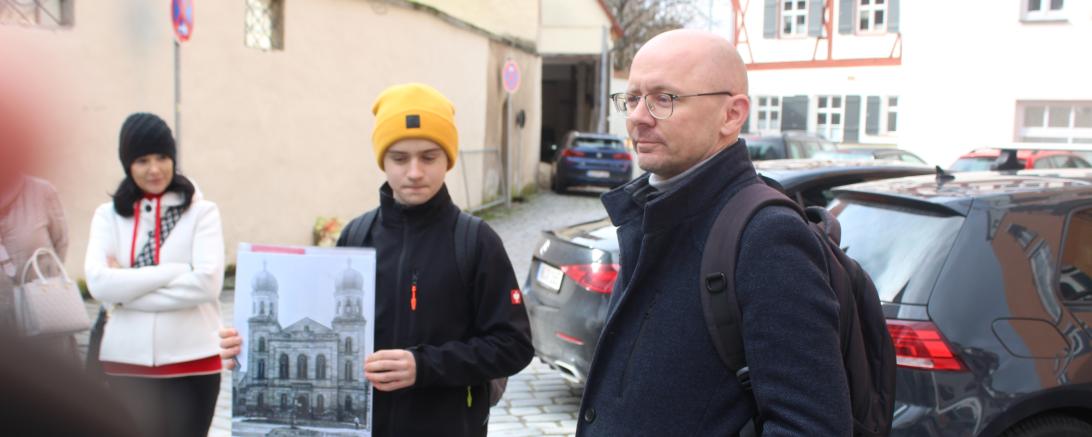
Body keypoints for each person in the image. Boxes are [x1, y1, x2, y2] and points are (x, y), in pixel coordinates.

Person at [576, 29, 851, 436]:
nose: (637, 116)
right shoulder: (653, 213)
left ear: (732, 114)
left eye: (663, 98)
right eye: (632, 98)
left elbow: (812, 426)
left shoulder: (765, 236)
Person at [221, 83, 534, 437]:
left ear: (448, 158)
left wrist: (424, 366)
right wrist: (243, 351)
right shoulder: (356, 237)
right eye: (399, 158)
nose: (414, 172)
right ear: (382, 160)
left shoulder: (475, 241)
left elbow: (515, 346)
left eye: (429, 157)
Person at [85, 112, 225, 437]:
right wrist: (175, 272)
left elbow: (207, 285)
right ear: (127, 164)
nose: (154, 169)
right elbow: (99, 284)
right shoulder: (107, 216)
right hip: (124, 362)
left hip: (194, 362)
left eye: (162, 157)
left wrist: (127, 292)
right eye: (142, 160)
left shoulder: (202, 213)